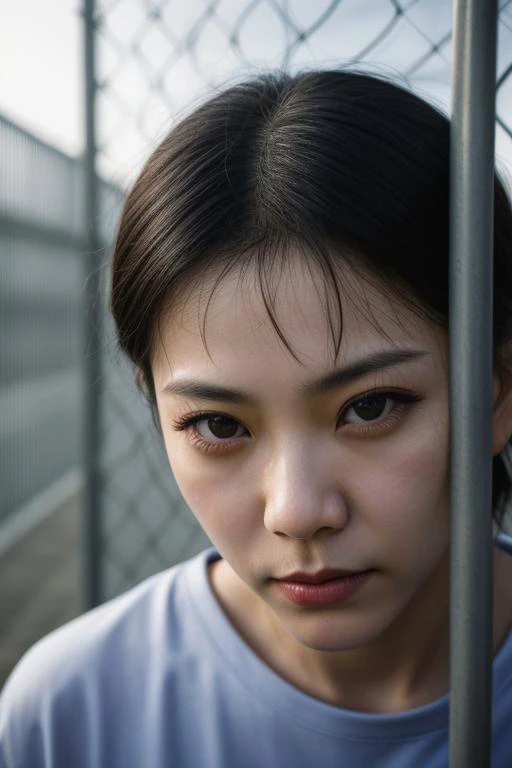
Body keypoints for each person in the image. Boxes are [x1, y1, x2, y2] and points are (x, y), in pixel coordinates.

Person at [2, 69, 512, 768]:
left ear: (498, 391)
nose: (298, 512)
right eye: (217, 425)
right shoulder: (68, 714)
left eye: (369, 408)